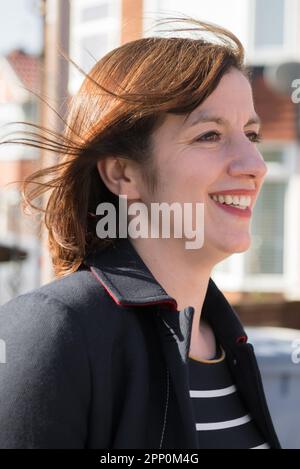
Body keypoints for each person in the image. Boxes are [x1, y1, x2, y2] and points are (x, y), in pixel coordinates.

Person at [0, 16, 281, 449]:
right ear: (121, 173)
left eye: (251, 135)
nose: (255, 165)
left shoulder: (227, 338)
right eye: (209, 135)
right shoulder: (55, 330)